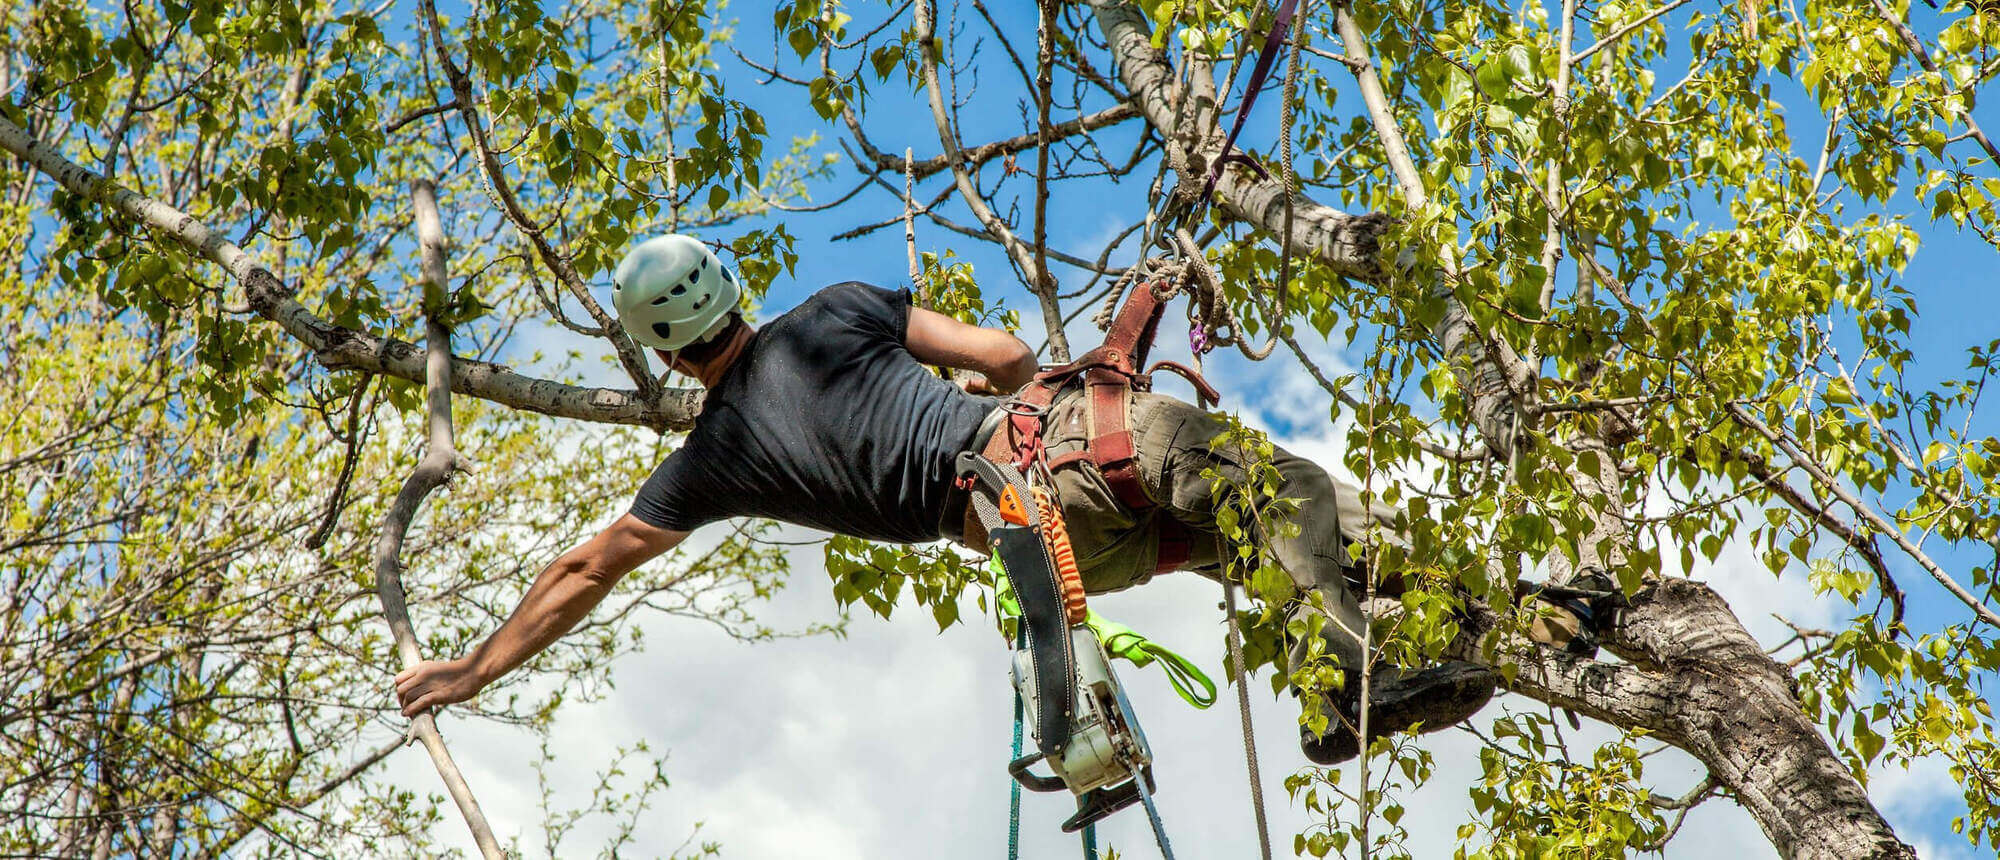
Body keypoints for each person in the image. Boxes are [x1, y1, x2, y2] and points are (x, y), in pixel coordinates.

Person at [393, 234, 1499, 764]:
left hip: (1034, 544)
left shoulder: (714, 456)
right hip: (1055, 451)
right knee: (1284, 486)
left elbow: (590, 562)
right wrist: (982, 383)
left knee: (1273, 543)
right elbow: (1009, 352)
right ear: (732, 289)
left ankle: (1513, 617)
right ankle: (1350, 679)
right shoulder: (831, 309)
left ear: (669, 356)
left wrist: (468, 667)